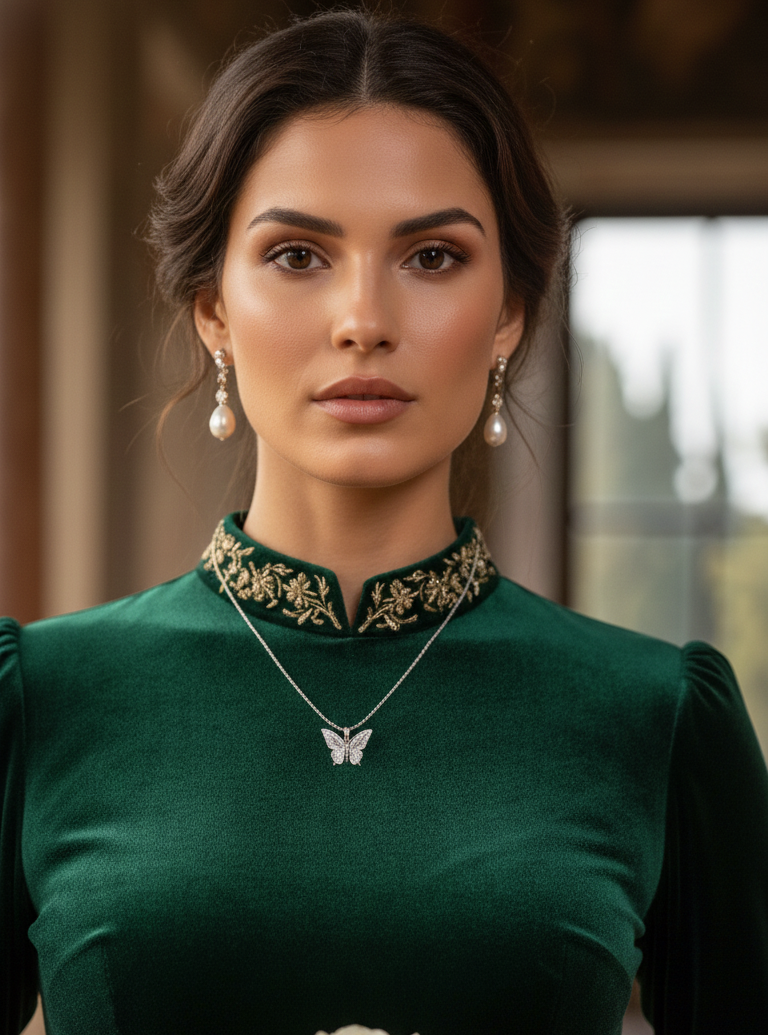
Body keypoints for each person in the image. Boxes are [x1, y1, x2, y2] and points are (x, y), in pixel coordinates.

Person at [2, 9, 767, 1035]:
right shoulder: (41, 704)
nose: (363, 318)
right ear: (212, 307)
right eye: (297, 255)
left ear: (509, 314)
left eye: (434, 257)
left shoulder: (654, 718)